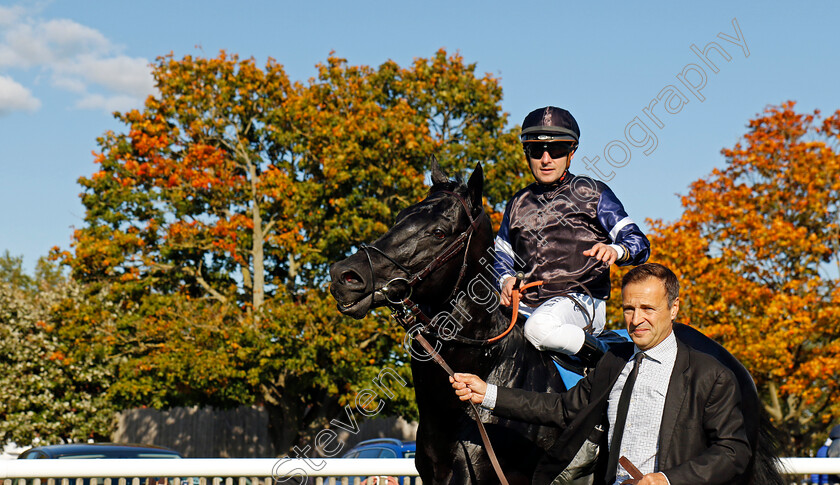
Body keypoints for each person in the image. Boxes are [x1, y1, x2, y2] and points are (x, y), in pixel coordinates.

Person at [452, 263, 752, 485]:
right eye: (629, 309)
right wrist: (487, 393)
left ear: (673, 309)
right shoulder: (613, 362)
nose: (637, 320)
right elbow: (561, 408)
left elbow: (733, 451)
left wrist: (668, 480)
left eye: (648, 308)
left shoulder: (711, 374)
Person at [493, 106, 650, 366]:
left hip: (581, 299)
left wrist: (616, 250)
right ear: (526, 154)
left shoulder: (594, 193)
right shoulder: (517, 203)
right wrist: (505, 279)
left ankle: (610, 363)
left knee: (538, 328)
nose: (546, 159)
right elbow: (501, 254)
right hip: (526, 304)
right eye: (536, 151)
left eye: (556, 151)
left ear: (571, 153)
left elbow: (639, 243)